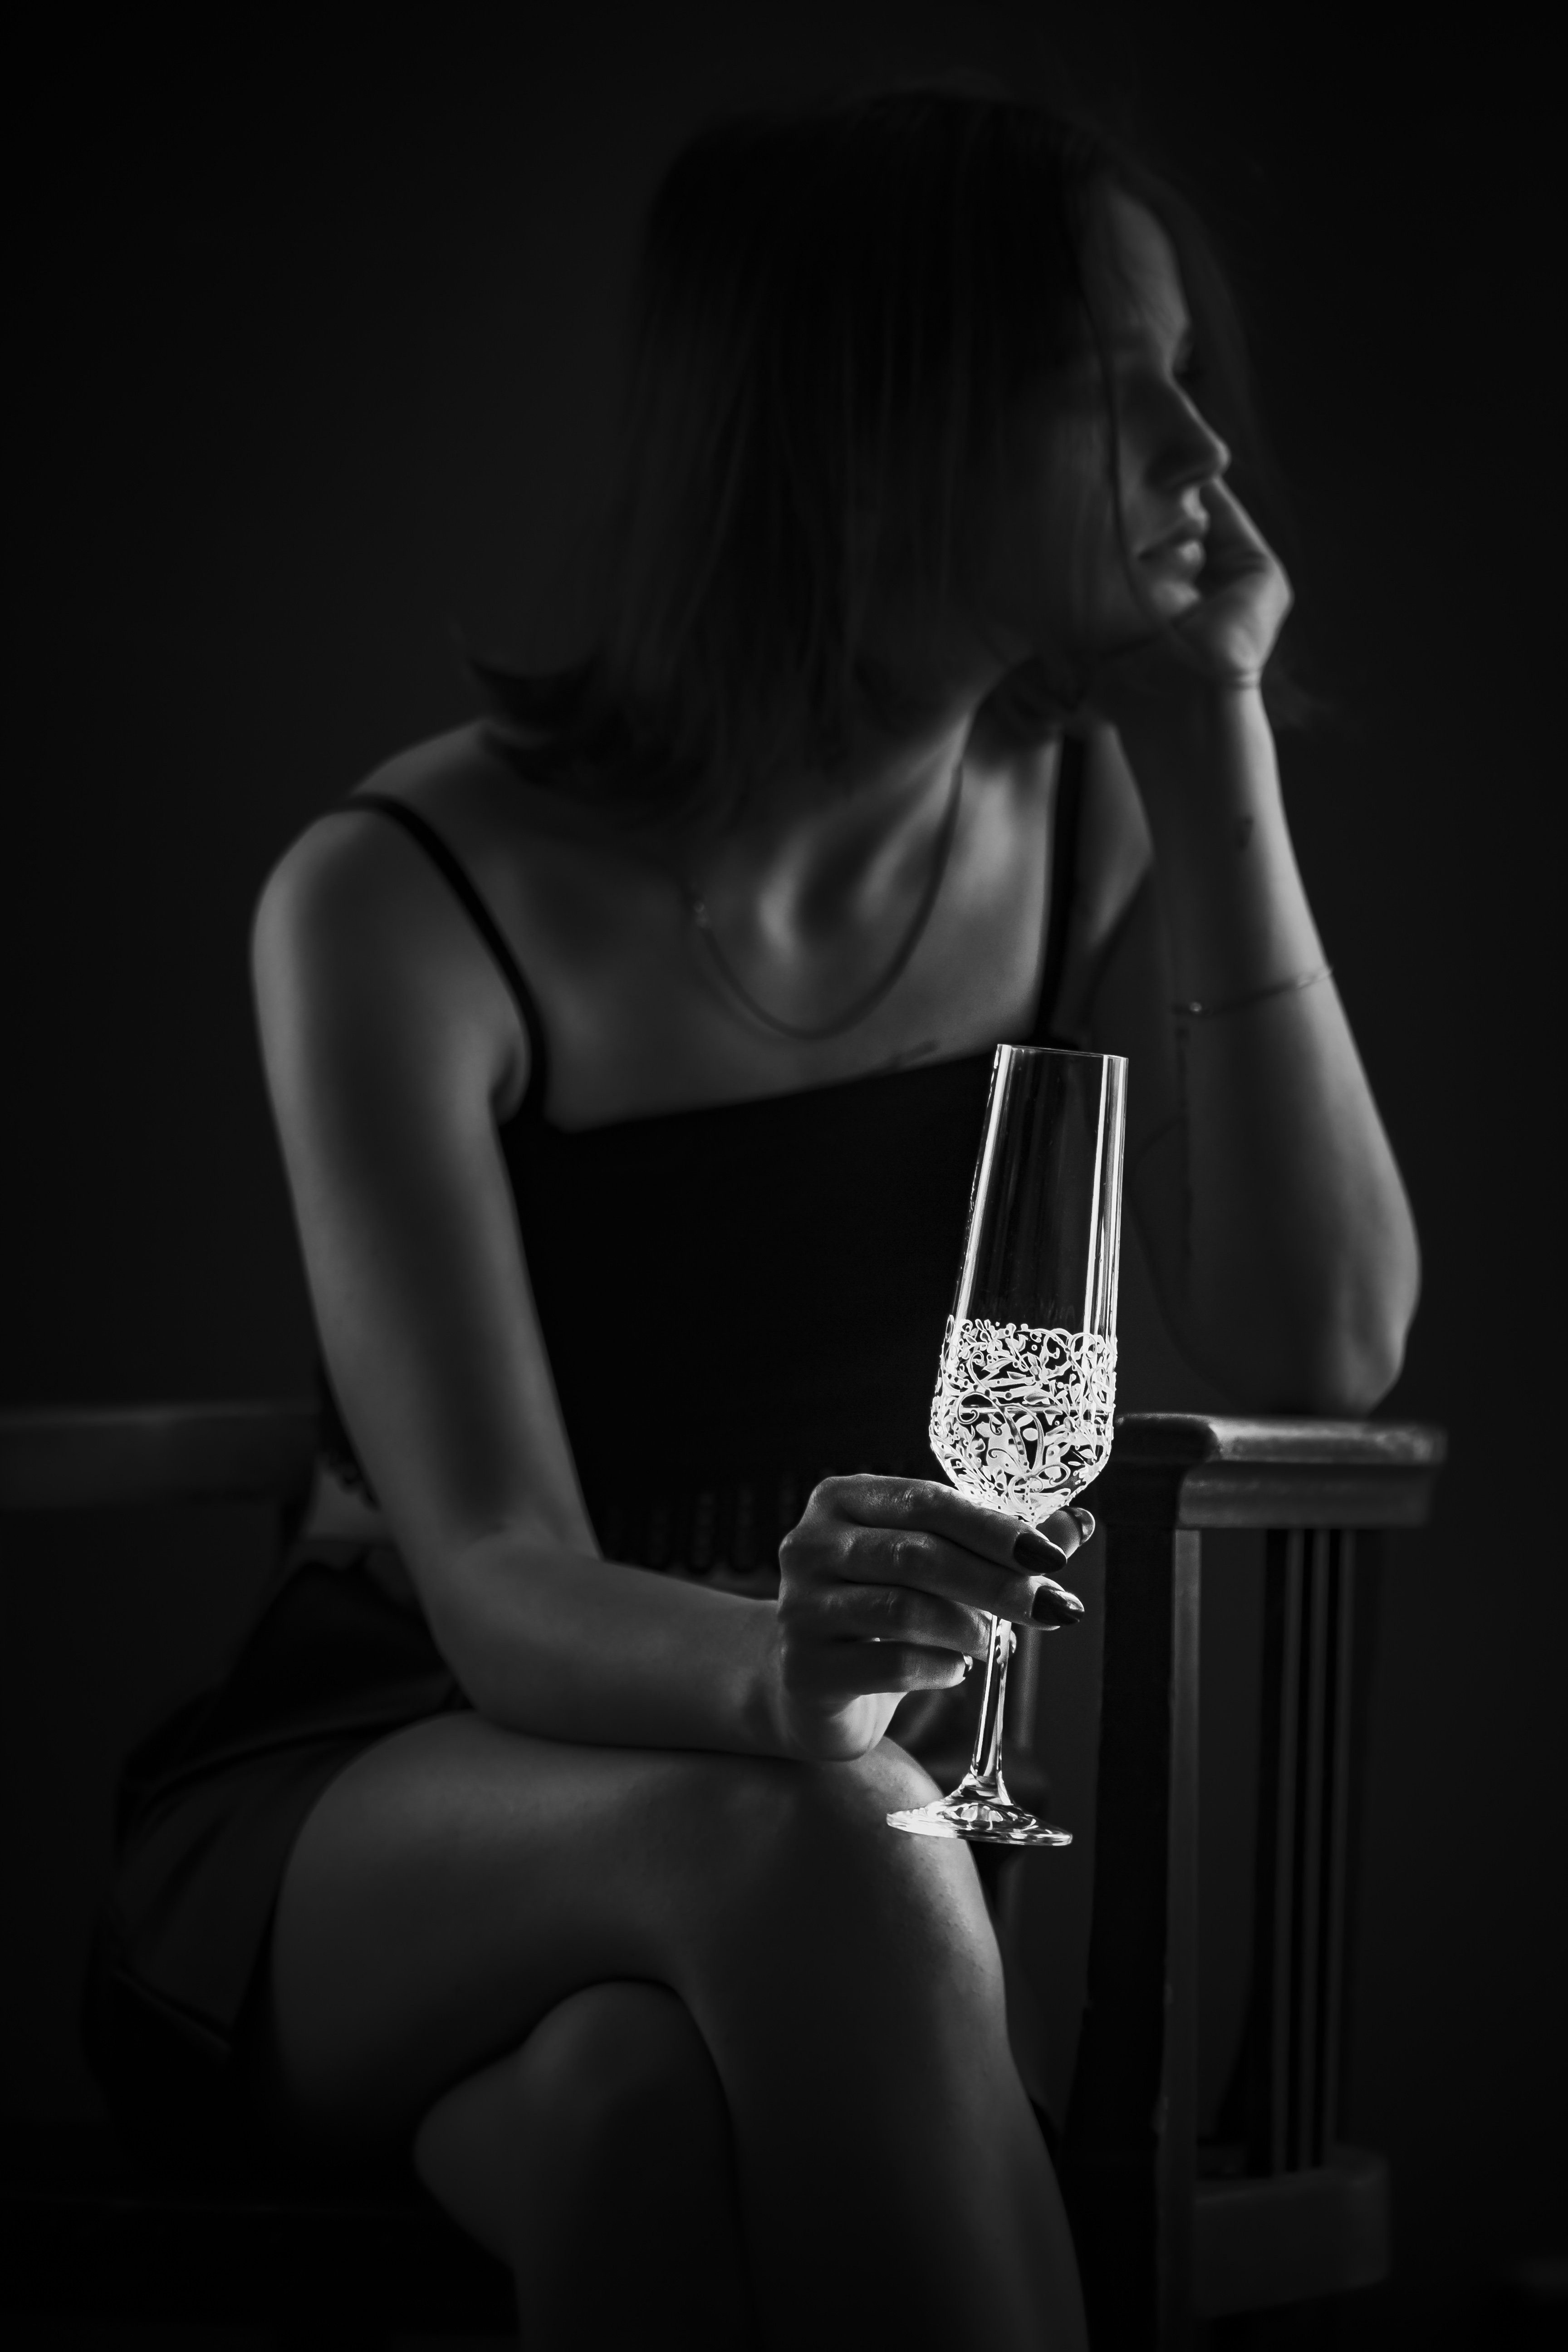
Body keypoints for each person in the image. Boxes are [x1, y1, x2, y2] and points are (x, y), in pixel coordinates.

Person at [85, 76, 1420, 2351]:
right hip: (378, 1787)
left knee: (631, 2128)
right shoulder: (402, 898)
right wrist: (793, 1687)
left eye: (1189, 374)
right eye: (1108, 384)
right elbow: (497, 1586)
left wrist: (1213, 737)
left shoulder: (1086, 827)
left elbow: (1327, 1339)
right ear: (867, 433)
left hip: (781, 1797)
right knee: (836, 1843)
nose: (1204, 453)